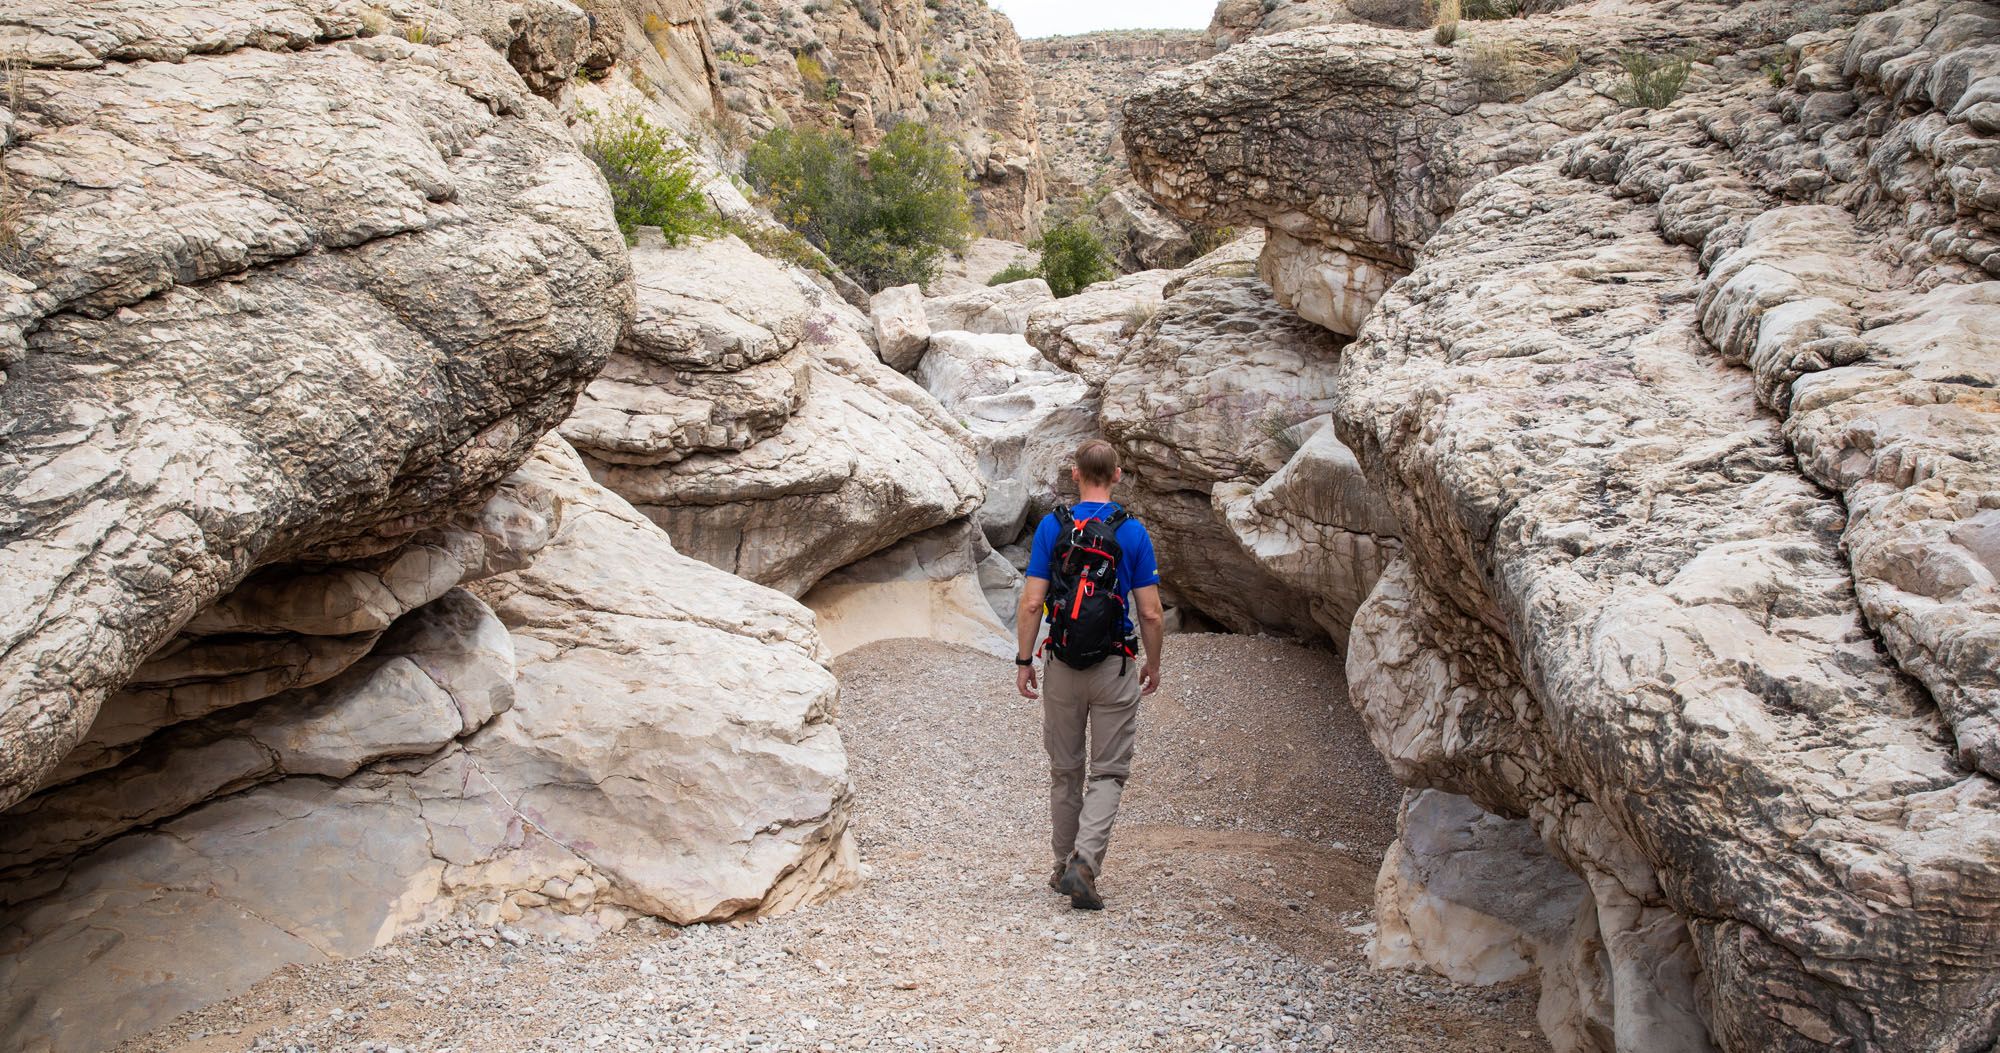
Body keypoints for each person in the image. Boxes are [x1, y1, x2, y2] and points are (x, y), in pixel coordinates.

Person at [1015, 438, 1164, 911]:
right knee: (1108, 773)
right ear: (1117, 475)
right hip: (1113, 664)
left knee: (1065, 770)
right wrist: (1153, 664)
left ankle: (1063, 864)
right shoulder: (1133, 531)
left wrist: (1024, 660)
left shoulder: (1051, 527)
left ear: (1075, 474)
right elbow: (1152, 613)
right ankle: (1085, 865)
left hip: (1060, 662)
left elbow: (1032, 602)